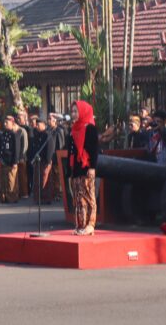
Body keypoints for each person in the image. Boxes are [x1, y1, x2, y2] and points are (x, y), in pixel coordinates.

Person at [67, 100, 99, 236]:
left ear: (83, 112)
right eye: (72, 111)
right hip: (76, 167)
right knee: (78, 196)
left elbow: (94, 150)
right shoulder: (74, 129)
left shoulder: (90, 128)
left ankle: (90, 224)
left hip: (86, 166)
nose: (73, 114)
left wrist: (93, 167)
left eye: (76, 111)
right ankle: (81, 224)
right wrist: (69, 170)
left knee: (88, 195)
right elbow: (71, 151)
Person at [32, 117, 57, 204]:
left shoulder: (47, 134)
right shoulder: (37, 134)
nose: (37, 126)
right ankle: (38, 198)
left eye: (38, 124)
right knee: (38, 180)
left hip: (45, 161)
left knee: (45, 180)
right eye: (36, 124)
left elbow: (50, 149)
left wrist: (48, 160)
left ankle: (46, 198)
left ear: (43, 125)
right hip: (38, 160)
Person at [0, 117, 22, 204]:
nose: (5, 124)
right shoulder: (4, 133)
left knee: (11, 181)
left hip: (11, 161)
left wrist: (15, 161)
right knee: (4, 180)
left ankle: (12, 197)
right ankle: (4, 197)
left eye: (7, 122)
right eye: (4, 122)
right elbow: (1, 147)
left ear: (12, 123)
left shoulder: (14, 134)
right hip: (4, 160)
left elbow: (16, 149)